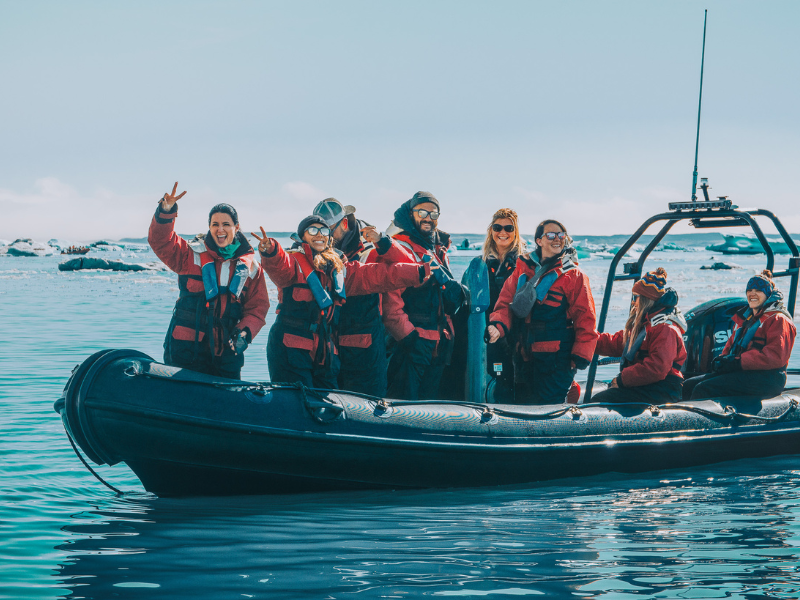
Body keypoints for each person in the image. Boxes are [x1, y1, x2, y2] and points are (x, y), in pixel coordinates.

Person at [253, 214, 431, 389]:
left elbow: (378, 275)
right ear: (302, 237)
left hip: (324, 350)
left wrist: (418, 273)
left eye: (323, 230)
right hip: (290, 346)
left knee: (329, 400)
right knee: (294, 402)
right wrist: (270, 250)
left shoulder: (339, 269)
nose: (319, 234)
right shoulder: (293, 263)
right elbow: (279, 266)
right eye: (312, 230)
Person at [148, 182, 269, 379]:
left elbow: (258, 309)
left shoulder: (252, 269)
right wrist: (166, 211)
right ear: (209, 228)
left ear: (236, 227)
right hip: (185, 350)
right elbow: (160, 241)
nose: (220, 230)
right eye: (215, 224)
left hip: (227, 353)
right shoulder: (190, 254)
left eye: (226, 224)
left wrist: (244, 333)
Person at [486, 219, 597, 404]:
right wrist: (497, 326)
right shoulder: (522, 270)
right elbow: (505, 303)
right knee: (524, 406)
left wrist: (582, 354)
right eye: (551, 235)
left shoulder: (574, 275)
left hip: (557, 361)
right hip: (526, 358)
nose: (557, 239)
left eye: (561, 235)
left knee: (548, 408)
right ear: (539, 240)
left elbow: (586, 317)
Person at [312, 198, 411, 396]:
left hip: (366, 349)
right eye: (320, 230)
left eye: (330, 230)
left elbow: (406, 265)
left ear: (345, 223)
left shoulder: (371, 248)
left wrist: (383, 241)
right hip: (329, 348)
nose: (325, 236)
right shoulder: (320, 252)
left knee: (369, 404)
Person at [383, 191, 468, 400]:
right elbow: (390, 303)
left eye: (433, 213)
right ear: (411, 213)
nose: (428, 218)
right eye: (422, 212)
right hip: (410, 347)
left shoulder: (436, 249)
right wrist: (409, 338)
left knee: (429, 409)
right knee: (403, 406)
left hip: (438, 344)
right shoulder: (400, 248)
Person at [683, 269, 797, 400]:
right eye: (749, 290)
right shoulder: (745, 320)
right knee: (689, 385)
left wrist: (737, 362)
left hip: (767, 378)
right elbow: (729, 347)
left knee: (703, 388)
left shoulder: (779, 320)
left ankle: (701, 419)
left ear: (768, 295)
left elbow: (775, 357)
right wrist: (722, 361)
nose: (752, 293)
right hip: (743, 372)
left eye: (758, 290)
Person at [591, 268, 688, 403]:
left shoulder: (665, 328)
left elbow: (657, 368)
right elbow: (616, 342)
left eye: (636, 297)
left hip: (663, 389)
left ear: (646, 300)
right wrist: (588, 338)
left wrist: (622, 380)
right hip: (646, 385)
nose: (633, 302)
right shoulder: (646, 325)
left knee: (601, 400)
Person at [482, 208, 526, 400]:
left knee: (511, 378)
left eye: (508, 228)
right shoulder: (482, 263)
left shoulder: (523, 264)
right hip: (487, 329)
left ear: (515, 232)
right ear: (491, 230)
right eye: (498, 227)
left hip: (515, 332)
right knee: (493, 375)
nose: (503, 232)